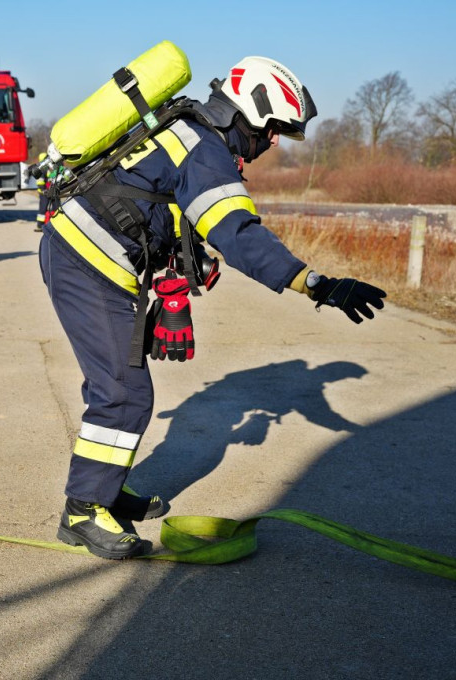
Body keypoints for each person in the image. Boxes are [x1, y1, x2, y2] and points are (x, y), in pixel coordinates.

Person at [39, 56, 387, 560]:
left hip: (86, 255)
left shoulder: (190, 130)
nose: (272, 142)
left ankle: (106, 491)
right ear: (248, 114)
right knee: (122, 392)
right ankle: (83, 511)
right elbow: (237, 234)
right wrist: (318, 285)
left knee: (122, 384)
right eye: (273, 131)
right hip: (84, 262)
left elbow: (158, 208)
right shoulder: (205, 151)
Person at [34, 152, 49, 232]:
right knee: (43, 208)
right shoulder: (42, 168)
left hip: (45, 191)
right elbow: (40, 182)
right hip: (43, 192)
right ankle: (40, 226)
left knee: (44, 208)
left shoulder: (44, 167)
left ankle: (42, 225)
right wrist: (43, 190)